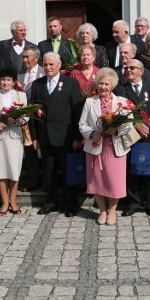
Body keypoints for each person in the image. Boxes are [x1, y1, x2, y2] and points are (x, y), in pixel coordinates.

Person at [31, 52, 84, 217]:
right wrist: (34, 137)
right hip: (45, 136)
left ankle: (70, 204)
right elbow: (33, 112)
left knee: (68, 172)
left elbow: (77, 112)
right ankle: (50, 202)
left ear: (59, 65)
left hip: (66, 137)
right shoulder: (37, 84)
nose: (48, 67)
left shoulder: (71, 83)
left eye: (51, 64)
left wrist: (77, 137)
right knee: (48, 171)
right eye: (45, 64)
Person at [79, 68, 133, 225]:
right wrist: (91, 134)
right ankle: (102, 210)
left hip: (115, 146)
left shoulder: (122, 102)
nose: (103, 87)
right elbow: (82, 124)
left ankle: (112, 210)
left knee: (114, 180)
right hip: (96, 145)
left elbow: (129, 124)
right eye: (101, 83)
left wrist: (116, 129)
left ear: (112, 86)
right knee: (97, 180)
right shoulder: (90, 102)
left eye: (106, 84)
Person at [115, 59, 150, 217]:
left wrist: (146, 124)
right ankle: (133, 203)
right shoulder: (121, 90)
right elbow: (121, 111)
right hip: (131, 133)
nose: (128, 70)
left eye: (132, 68)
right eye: (127, 68)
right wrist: (135, 124)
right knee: (132, 169)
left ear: (141, 71)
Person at [0, 68, 28, 216]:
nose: (5, 82)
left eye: (8, 79)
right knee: (0, 170)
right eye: (3, 79)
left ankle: (13, 201)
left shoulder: (21, 96)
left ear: (14, 82)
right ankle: (4, 202)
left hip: (14, 137)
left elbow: (26, 117)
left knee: (14, 170)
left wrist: (16, 120)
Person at [17, 45, 44, 192]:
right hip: (25, 118)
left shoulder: (44, 71)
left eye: (27, 57)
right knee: (29, 150)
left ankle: (47, 180)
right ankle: (32, 180)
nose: (24, 60)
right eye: (23, 57)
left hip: (41, 117)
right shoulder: (20, 74)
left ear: (36, 58)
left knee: (44, 149)